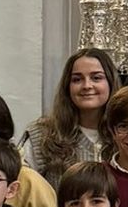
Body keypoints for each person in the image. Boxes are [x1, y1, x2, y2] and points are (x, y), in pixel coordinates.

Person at [23, 48, 119, 189]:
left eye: (96, 78)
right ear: (67, 87)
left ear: (110, 83)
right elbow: (24, 193)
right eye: (77, 79)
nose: (87, 85)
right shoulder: (42, 136)